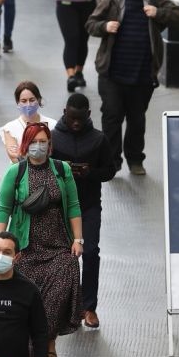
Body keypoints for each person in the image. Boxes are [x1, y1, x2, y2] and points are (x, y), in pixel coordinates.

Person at [85, 0, 179, 175]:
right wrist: (105, 26)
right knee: (112, 117)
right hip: (111, 74)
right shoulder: (112, 0)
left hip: (142, 75)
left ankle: (135, 160)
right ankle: (112, 161)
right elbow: (91, 24)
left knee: (137, 119)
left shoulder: (155, 0)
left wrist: (158, 13)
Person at [0, 122, 83, 357]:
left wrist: (78, 239)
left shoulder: (62, 169)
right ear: (26, 144)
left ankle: (47, 345)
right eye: (33, 142)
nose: (38, 146)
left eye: (43, 141)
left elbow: (73, 206)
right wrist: (1, 244)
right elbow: (4, 208)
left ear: (50, 144)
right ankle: (34, 347)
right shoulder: (16, 172)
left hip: (58, 246)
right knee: (28, 301)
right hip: (26, 248)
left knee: (56, 298)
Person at [51, 94, 116, 328]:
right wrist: (63, 170)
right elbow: (44, 169)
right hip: (59, 206)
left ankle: (89, 307)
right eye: (72, 118)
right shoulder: (54, 137)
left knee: (90, 252)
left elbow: (110, 170)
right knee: (62, 256)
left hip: (89, 205)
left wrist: (90, 172)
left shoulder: (98, 139)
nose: (76, 123)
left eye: (80, 118)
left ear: (88, 115)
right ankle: (66, 306)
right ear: (65, 113)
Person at [0, 80, 57, 163]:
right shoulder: (9, 129)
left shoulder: (53, 125)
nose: (28, 104)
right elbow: (14, 158)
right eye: (24, 101)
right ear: (18, 103)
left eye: (32, 100)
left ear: (39, 100)